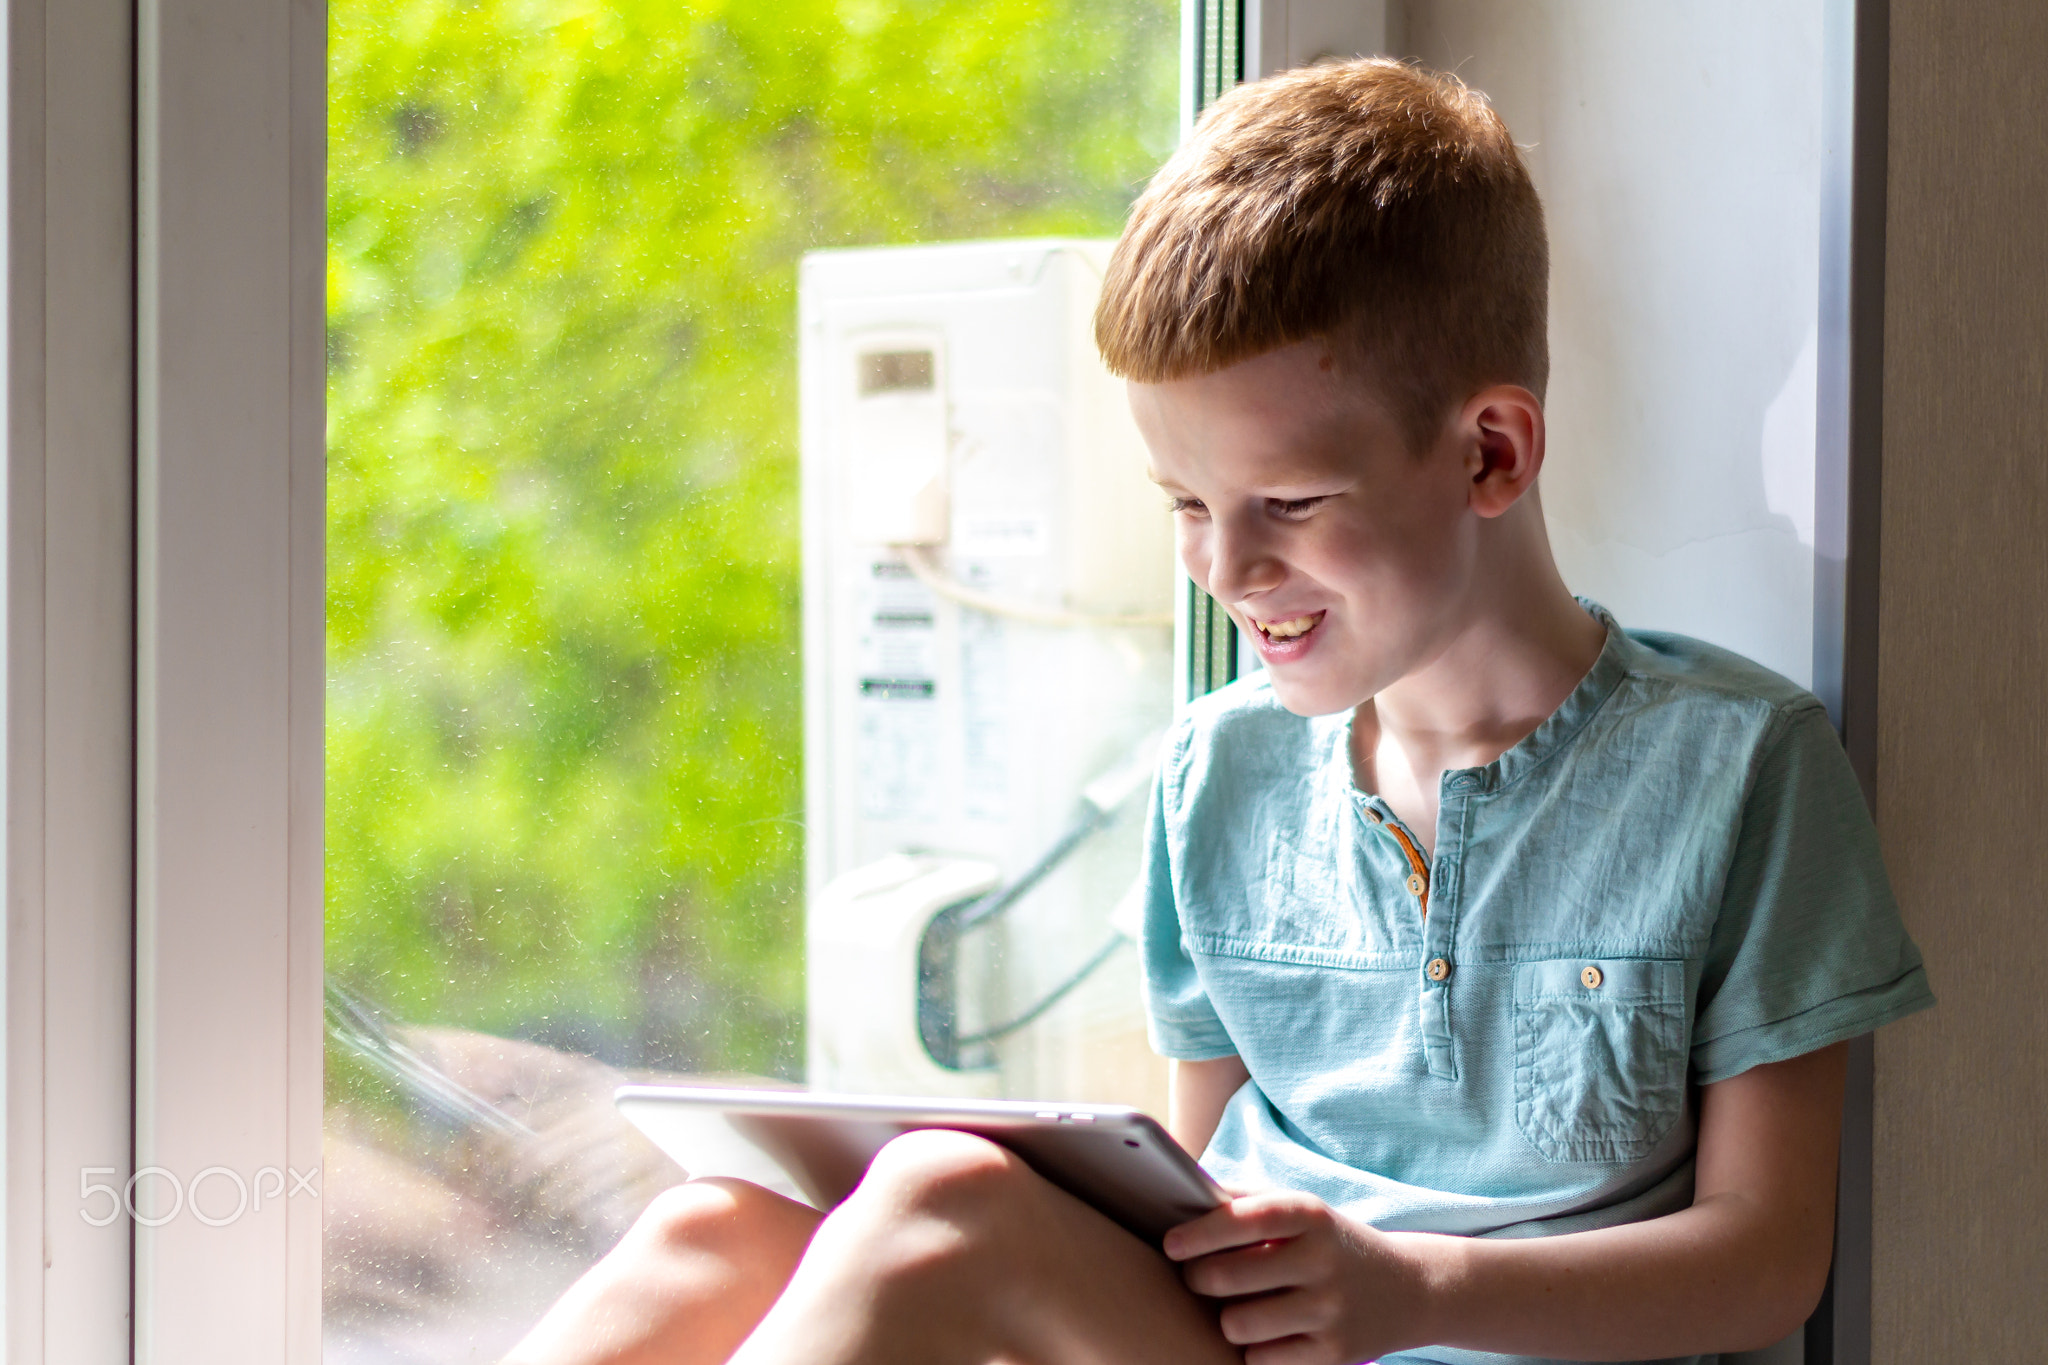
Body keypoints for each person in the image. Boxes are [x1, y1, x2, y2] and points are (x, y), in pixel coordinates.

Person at [505, 58, 1933, 1365]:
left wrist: (1409, 1290)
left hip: (1463, 1342)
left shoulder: (1741, 765)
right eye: (1185, 505)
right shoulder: (1221, 773)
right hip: (1238, 1346)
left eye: (1289, 505)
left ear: (1490, 451)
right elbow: (1170, 1192)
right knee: (724, 1224)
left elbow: (1767, 1261)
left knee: (946, 1201)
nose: (1226, 567)